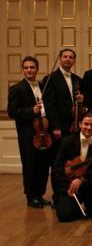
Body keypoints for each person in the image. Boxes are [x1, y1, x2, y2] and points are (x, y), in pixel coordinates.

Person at [51, 111, 92, 222]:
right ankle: (70, 204)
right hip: (70, 185)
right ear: (80, 124)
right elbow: (57, 168)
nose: (89, 127)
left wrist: (82, 179)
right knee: (65, 216)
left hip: (89, 184)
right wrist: (68, 186)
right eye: (86, 124)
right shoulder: (67, 141)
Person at [7, 56, 52, 208]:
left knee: (43, 164)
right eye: (26, 67)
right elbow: (12, 112)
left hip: (44, 131)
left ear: (37, 69)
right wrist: (31, 110)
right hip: (28, 133)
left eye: (32, 67)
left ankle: (40, 194)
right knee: (30, 164)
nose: (29, 70)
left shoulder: (42, 85)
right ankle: (30, 196)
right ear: (23, 69)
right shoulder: (17, 88)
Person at [43, 49, 84, 165]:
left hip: (75, 126)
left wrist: (81, 101)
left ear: (74, 61)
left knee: (73, 159)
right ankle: (58, 184)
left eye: (71, 57)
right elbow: (50, 105)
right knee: (58, 160)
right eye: (65, 56)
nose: (68, 59)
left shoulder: (78, 79)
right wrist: (55, 126)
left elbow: (81, 105)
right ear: (60, 59)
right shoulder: (50, 79)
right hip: (60, 126)